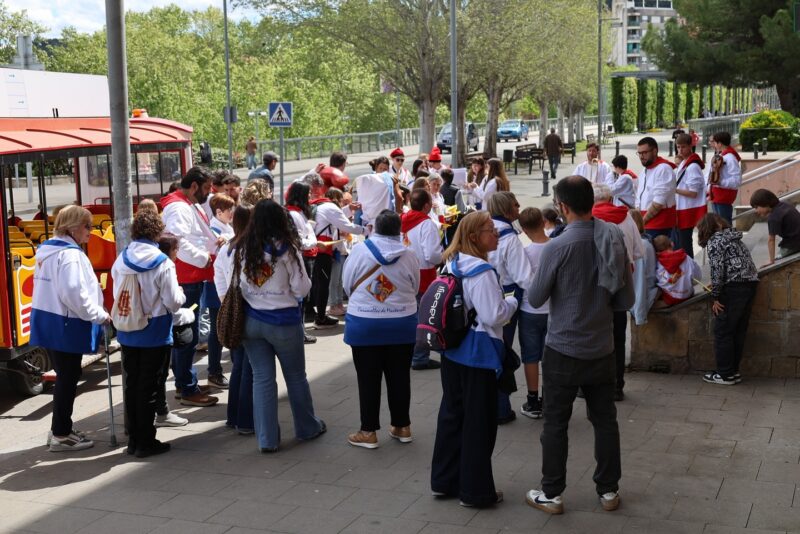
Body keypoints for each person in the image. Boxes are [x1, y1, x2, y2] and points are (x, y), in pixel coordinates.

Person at [526, 176, 634, 516]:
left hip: (563, 348)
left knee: (555, 423)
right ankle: (609, 491)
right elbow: (624, 295)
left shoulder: (557, 246)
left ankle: (552, 493)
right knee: (605, 421)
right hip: (602, 346)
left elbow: (536, 296)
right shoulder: (613, 235)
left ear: (562, 206)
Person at [431, 211, 518, 508]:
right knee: (479, 423)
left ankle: (445, 480)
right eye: (490, 230)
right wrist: (513, 302)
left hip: (452, 350)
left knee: (452, 416)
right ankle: (476, 491)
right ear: (474, 237)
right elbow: (494, 315)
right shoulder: (480, 270)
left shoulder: (451, 263)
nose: (495, 234)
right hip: (478, 355)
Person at [234, 199, 327, 452]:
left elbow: (237, 285)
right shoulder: (287, 249)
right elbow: (302, 287)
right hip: (284, 322)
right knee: (296, 377)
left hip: (251, 322)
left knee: (262, 380)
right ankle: (307, 428)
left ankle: (267, 440)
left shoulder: (242, 247)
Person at [31, 206, 110, 452]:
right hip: (66, 322)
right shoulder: (70, 255)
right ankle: (61, 433)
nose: (90, 230)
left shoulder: (48, 250)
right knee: (68, 377)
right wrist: (99, 315)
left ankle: (60, 427)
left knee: (67, 376)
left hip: (49, 319)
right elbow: (73, 293)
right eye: (87, 226)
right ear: (73, 227)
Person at [111, 211, 186, 457]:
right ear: (157, 232)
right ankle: (146, 441)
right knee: (150, 387)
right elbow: (173, 301)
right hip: (155, 330)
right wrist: (183, 296)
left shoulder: (121, 259)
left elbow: (116, 293)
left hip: (127, 329)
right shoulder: (162, 262)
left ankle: (134, 439)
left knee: (132, 385)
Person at [343, 210, 419, 448]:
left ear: (374, 228)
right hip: (402, 324)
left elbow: (347, 284)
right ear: (399, 230)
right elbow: (415, 286)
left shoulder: (360, 251)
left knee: (368, 379)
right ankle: (402, 425)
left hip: (365, 324)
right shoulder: (408, 254)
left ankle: (368, 431)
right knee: (400, 376)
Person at [161, 166, 221, 407]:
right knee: (188, 333)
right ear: (194, 186)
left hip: (192, 275)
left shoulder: (185, 204)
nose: (210, 192)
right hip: (188, 277)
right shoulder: (179, 207)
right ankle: (186, 387)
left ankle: (185, 383)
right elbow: (179, 241)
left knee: (188, 332)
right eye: (206, 188)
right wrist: (204, 257)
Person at [696, 214, 759, 385]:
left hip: (733, 289)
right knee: (738, 331)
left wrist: (715, 296)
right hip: (749, 284)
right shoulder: (735, 238)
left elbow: (717, 271)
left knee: (723, 331)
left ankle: (724, 374)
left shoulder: (716, 241)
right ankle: (732, 372)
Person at [486, 192, 531, 424]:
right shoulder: (509, 237)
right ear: (506, 209)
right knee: (501, 353)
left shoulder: (480, 228)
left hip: (480, 297)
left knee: (488, 349)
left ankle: (485, 405)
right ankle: (501, 408)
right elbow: (524, 278)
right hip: (505, 298)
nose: (519, 206)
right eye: (515, 204)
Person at [213, 205, 255, 434]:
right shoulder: (248, 248)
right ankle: (246, 420)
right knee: (248, 366)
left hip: (232, 308)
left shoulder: (227, 248)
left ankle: (234, 416)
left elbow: (217, 274)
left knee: (239, 364)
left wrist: (224, 300)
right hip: (248, 309)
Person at [401, 189, 444, 371]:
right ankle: (419, 357)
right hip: (423, 274)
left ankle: (410, 354)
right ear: (426, 205)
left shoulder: (402, 219)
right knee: (423, 317)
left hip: (404, 272)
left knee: (409, 316)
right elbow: (433, 255)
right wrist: (444, 255)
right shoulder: (427, 224)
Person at [312, 187, 366, 329]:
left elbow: (338, 216)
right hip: (323, 250)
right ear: (337, 200)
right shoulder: (330, 207)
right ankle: (320, 318)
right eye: (342, 201)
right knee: (324, 284)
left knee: (322, 283)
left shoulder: (322, 206)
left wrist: (349, 208)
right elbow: (345, 225)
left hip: (319, 249)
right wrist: (366, 230)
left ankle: (320, 315)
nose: (342, 205)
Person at [517, 207, 549, 419]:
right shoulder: (555, 247)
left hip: (529, 309)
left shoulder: (525, 253)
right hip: (552, 309)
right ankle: (549, 399)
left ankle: (532, 399)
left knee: (530, 356)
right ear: (544, 222)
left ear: (524, 229)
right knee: (550, 357)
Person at [285, 181, 319, 344]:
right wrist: (313, 240)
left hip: (305, 256)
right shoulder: (294, 214)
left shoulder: (297, 212)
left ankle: (300, 331)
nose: (310, 197)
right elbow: (298, 240)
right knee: (301, 297)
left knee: (303, 298)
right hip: (302, 257)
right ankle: (299, 332)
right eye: (308, 194)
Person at [635, 137, 677, 239]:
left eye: (644, 152)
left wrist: (642, 221)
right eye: (639, 153)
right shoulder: (644, 172)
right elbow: (639, 198)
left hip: (659, 225)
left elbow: (658, 203)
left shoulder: (663, 169)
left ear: (654, 151)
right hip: (646, 223)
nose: (641, 156)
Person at [674, 133, 707, 258]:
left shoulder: (692, 166)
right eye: (678, 147)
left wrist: (675, 190)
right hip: (684, 209)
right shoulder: (685, 163)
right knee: (683, 245)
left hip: (688, 210)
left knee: (685, 246)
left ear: (690, 146)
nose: (680, 150)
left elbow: (693, 193)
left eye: (683, 147)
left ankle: (690, 274)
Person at [750, 188, 800, 265]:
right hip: (796, 240)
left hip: (793, 245)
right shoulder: (785, 204)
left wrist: (771, 260)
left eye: (756, 207)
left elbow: (771, 240)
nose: (756, 211)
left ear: (765, 203)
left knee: (778, 259)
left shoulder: (773, 217)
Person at [652, 235, 701, 306]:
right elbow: (698, 277)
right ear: (672, 244)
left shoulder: (658, 263)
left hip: (670, 298)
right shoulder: (686, 257)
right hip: (687, 295)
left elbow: (658, 281)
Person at [628, 211, 659, 326]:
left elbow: (640, 281)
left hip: (645, 293)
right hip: (642, 291)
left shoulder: (641, 245)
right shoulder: (644, 240)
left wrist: (639, 314)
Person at [708, 132, 741, 224]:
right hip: (717, 194)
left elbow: (736, 180)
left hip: (724, 194)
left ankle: (729, 239)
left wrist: (720, 182)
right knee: (719, 223)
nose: (713, 144)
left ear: (720, 144)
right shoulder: (723, 155)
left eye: (714, 142)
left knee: (724, 224)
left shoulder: (730, 157)